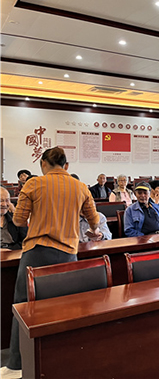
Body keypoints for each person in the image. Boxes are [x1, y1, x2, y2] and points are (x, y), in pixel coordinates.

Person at [2, 147, 101, 379]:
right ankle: (58, 361)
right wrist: (93, 231)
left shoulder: (34, 184)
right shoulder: (81, 187)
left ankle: (16, 364)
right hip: (68, 255)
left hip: (36, 254)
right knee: (64, 307)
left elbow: (19, 220)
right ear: (66, 165)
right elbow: (94, 221)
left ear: (43, 164)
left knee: (23, 307)